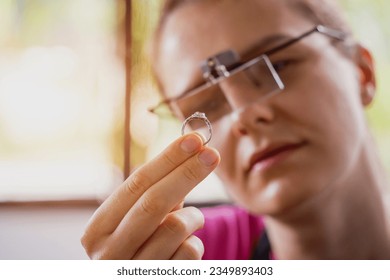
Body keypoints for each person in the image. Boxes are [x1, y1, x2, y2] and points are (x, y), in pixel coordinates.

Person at [81, 0, 390, 259]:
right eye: (207, 106)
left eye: (278, 65)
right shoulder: (186, 253)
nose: (245, 116)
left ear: (362, 73)